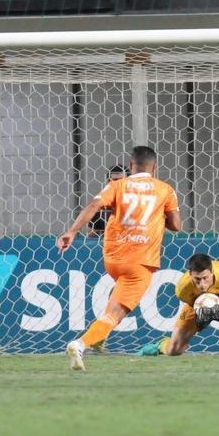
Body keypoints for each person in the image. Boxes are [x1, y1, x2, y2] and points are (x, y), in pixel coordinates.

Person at [57, 146, 181, 372]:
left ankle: (98, 339)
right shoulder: (165, 189)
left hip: (113, 258)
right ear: (154, 167)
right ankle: (80, 343)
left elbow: (94, 205)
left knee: (117, 298)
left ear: (131, 166)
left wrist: (72, 231)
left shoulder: (117, 185)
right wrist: (160, 213)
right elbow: (176, 226)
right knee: (115, 313)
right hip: (141, 261)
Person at [139, 252, 219, 357]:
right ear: (190, 274)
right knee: (174, 350)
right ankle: (161, 345)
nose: (202, 285)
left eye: (205, 278)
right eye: (197, 279)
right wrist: (201, 320)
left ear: (212, 272)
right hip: (197, 302)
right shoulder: (182, 289)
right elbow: (194, 306)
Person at [86, 165, 127, 236]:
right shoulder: (100, 205)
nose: (118, 184)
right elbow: (90, 235)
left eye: (121, 180)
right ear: (108, 182)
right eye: (115, 180)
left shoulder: (138, 203)